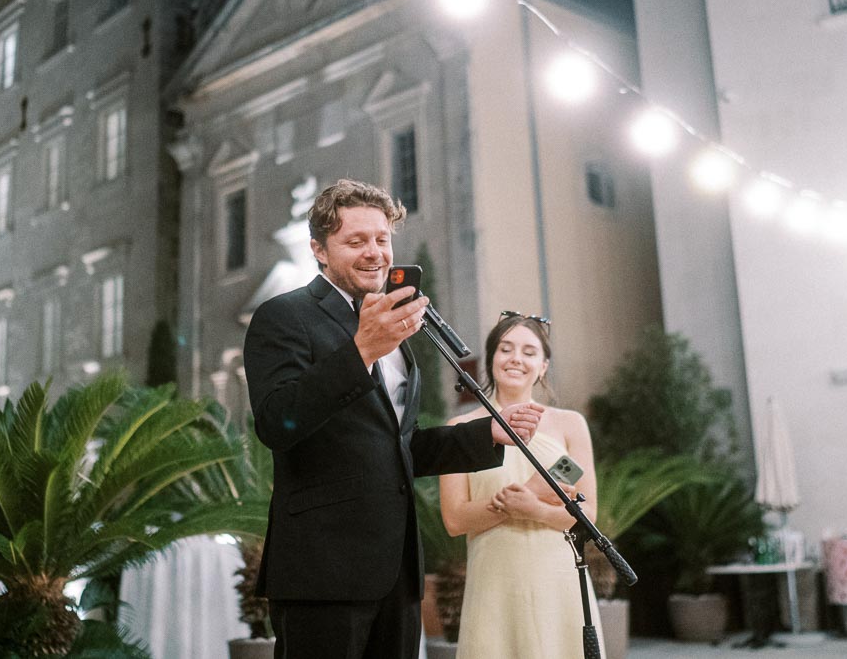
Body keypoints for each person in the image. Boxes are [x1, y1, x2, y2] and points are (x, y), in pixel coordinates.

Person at [243, 179, 545, 659]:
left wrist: (485, 432)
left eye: (382, 239)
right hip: (324, 571)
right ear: (319, 250)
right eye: (355, 241)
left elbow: (396, 448)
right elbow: (277, 424)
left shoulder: (395, 333)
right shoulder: (285, 316)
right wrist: (361, 350)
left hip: (397, 571)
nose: (375, 253)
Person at [439, 311, 601, 659]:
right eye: (505, 349)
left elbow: (585, 515)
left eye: (529, 352)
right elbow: (454, 520)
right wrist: (520, 499)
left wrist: (534, 508)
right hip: (494, 582)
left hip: (559, 581)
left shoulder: (568, 426)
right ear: (491, 359)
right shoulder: (461, 428)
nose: (516, 359)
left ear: (543, 366)